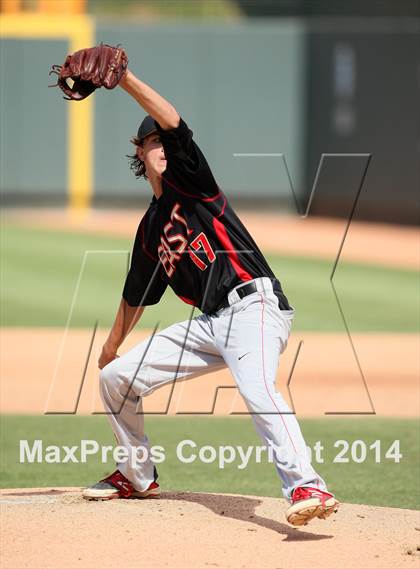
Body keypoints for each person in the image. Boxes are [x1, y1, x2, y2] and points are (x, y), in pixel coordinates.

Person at [82, 68, 339, 527]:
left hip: (255, 306)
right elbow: (136, 293)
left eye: (164, 140)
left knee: (257, 387)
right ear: (139, 153)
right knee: (116, 379)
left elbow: (176, 126)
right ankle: (137, 475)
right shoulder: (150, 229)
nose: (161, 145)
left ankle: (307, 483)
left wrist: (123, 79)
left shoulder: (193, 183)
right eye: (152, 142)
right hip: (211, 324)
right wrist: (109, 347)